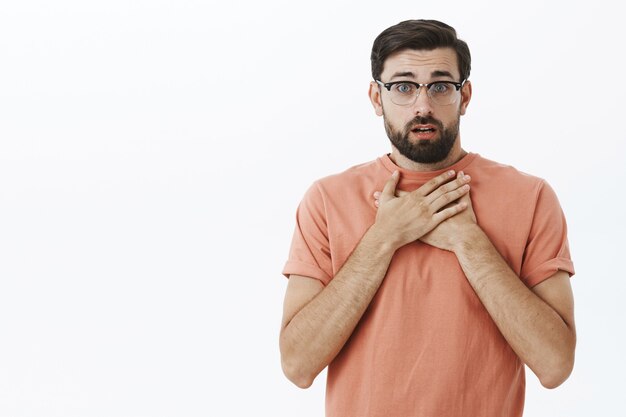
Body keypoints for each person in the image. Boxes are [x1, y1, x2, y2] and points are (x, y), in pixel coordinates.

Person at [279, 19, 576, 417]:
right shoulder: (327, 200)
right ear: (375, 97)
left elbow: (555, 366)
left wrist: (469, 243)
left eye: (440, 86)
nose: (422, 105)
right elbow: (297, 366)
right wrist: (384, 238)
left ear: (464, 96)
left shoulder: (531, 197)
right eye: (403, 86)